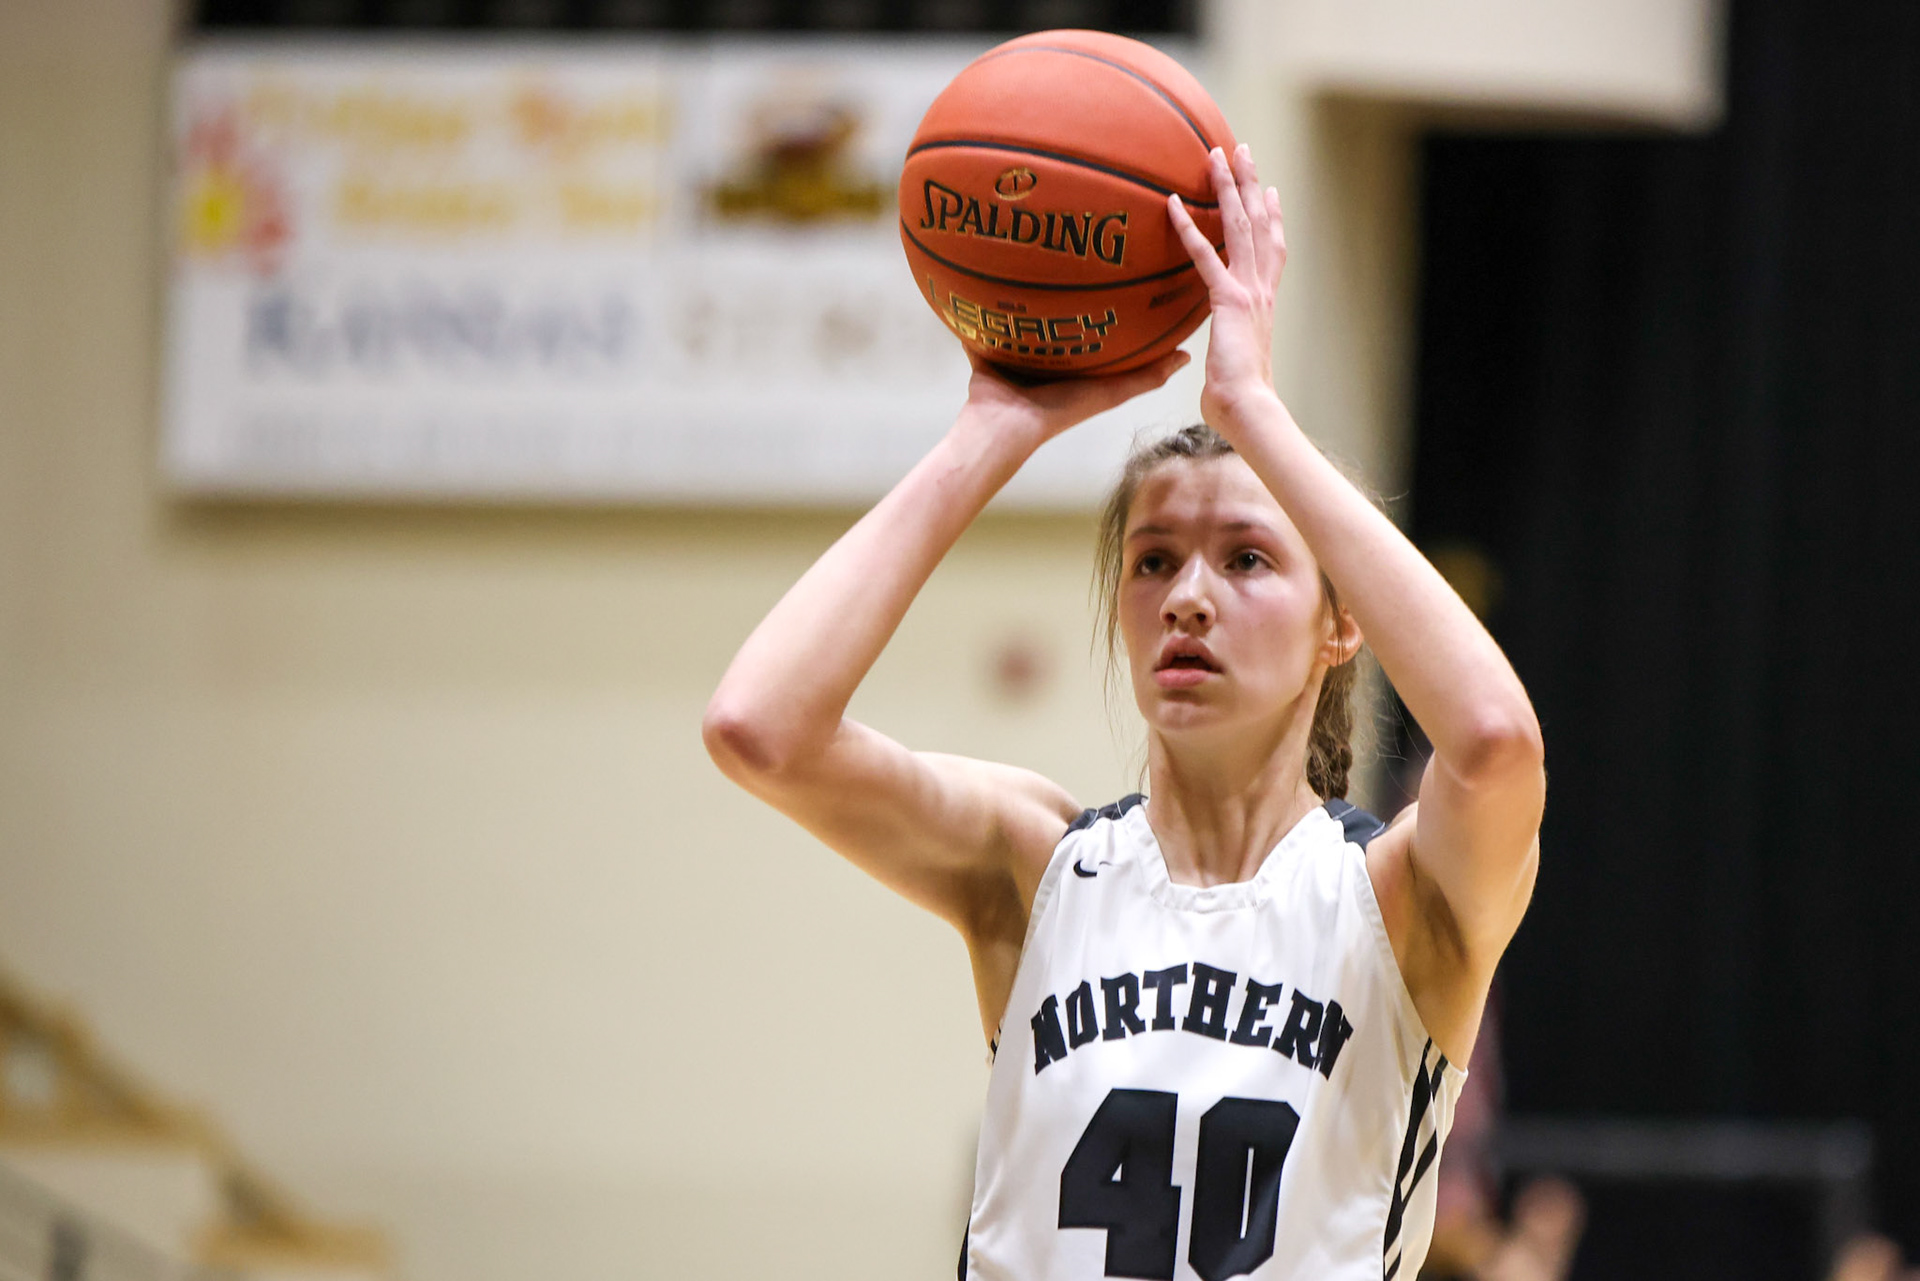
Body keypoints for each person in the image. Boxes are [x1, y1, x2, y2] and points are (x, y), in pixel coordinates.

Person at [704, 145, 1545, 1281]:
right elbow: (760, 726)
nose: (1188, 596)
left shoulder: (1397, 899)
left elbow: (1494, 742)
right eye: (1153, 562)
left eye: (1247, 558)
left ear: (1339, 626)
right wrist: (990, 431)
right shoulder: (1038, 864)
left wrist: (1252, 411)